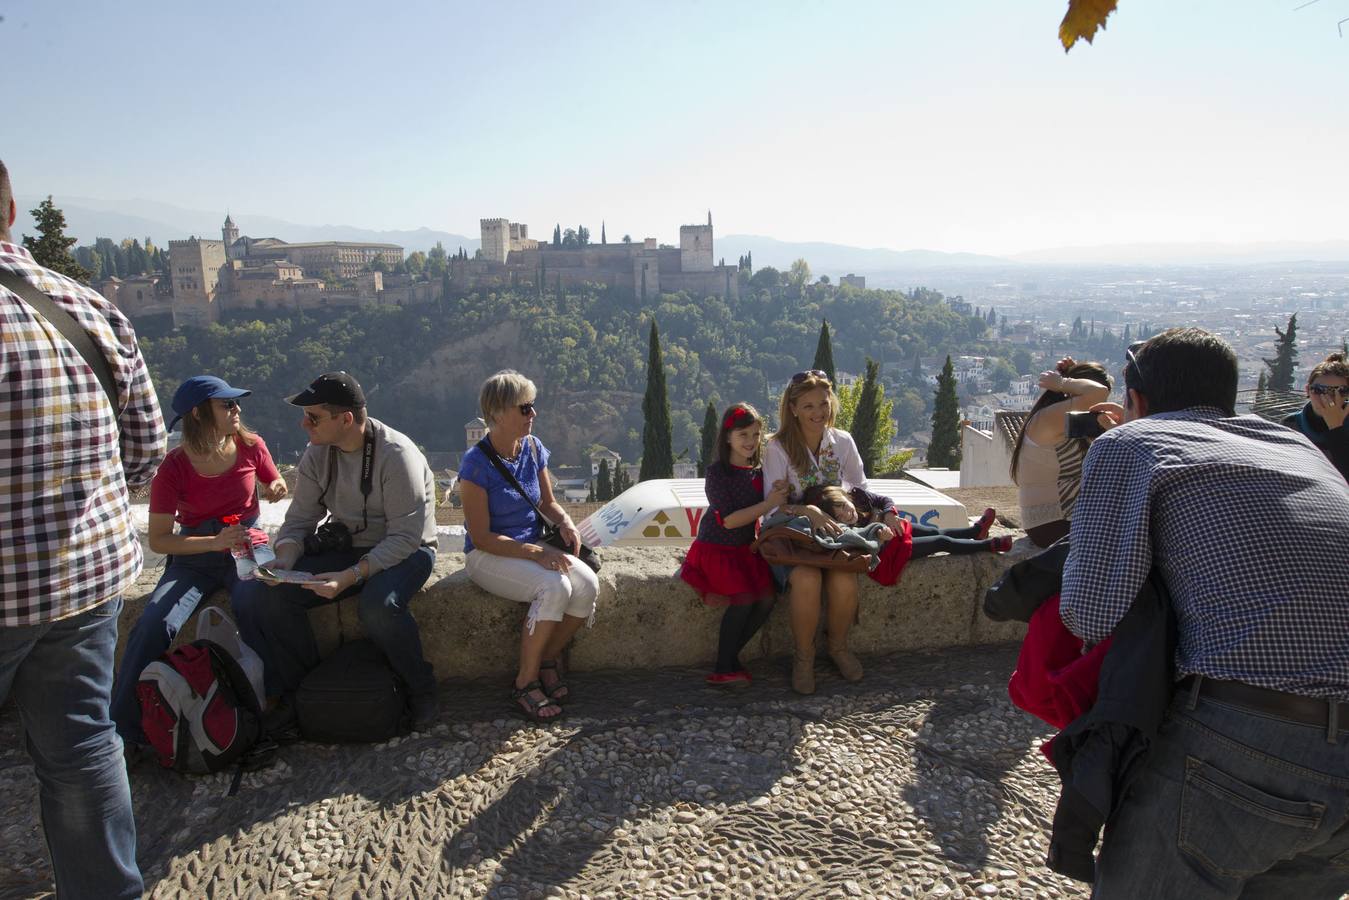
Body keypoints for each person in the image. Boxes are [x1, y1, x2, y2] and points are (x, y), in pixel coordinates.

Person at [1060, 328, 1349, 897]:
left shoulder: (1134, 442)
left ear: (1136, 401)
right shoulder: (1295, 446)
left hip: (1249, 741)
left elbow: (1088, 613)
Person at [0, 159, 166, 898]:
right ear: (9, 210)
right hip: (84, 580)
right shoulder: (84, 304)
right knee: (82, 748)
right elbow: (145, 451)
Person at [232, 372, 439, 732]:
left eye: (313, 417)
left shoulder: (396, 455)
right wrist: (285, 559)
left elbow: (405, 538)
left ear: (345, 419)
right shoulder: (317, 455)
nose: (303, 423)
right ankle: (307, 693)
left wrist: (350, 577)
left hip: (407, 550)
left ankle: (421, 689)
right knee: (269, 599)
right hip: (350, 545)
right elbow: (299, 520)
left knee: (377, 607)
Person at [109, 376, 287, 747]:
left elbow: (274, 479)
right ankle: (123, 728)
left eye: (235, 403)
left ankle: (272, 702)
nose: (236, 409)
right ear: (198, 413)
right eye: (226, 404)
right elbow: (160, 538)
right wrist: (213, 541)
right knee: (154, 623)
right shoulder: (173, 468)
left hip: (243, 547)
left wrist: (275, 487)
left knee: (255, 603)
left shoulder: (251, 446)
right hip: (194, 558)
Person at [460, 370, 598, 721]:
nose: (532, 414)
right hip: (488, 554)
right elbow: (481, 537)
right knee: (554, 586)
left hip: (531, 544)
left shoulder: (533, 449)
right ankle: (525, 681)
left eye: (532, 406)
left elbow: (548, 503)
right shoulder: (475, 464)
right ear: (498, 413)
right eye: (524, 408)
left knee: (587, 586)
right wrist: (538, 553)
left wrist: (566, 522)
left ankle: (548, 658)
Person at [762, 369, 902, 694]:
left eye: (823, 404)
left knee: (843, 579)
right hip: (795, 538)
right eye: (808, 406)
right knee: (807, 579)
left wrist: (864, 508)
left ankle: (838, 647)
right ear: (793, 408)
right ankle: (804, 657)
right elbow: (771, 508)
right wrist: (806, 510)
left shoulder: (842, 441)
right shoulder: (778, 448)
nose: (818, 413)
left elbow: (860, 489)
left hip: (835, 535)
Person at [679, 403, 789, 687]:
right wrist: (769, 503)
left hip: (745, 551)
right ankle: (723, 666)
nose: (750, 442)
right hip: (717, 549)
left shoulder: (759, 472)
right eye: (743, 435)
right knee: (744, 600)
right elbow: (728, 521)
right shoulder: (717, 474)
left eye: (755, 435)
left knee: (766, 599)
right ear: (727, 437)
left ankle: (730, 657)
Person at [802, 485, 1010, 585]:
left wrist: (889, 514)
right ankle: (990, 545)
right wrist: (879, 534)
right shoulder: (844, 528)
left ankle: (975, 531)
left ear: (846, 497)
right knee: (940, 542)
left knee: (933, 531)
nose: (847, 515)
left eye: (845, 507)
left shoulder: (859, 496)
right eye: (840, 516)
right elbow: (861, 543)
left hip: (893, 532)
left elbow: (884, 500)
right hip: (885, 552)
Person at [1008, 357, 1112, 548]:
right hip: (1053, 522)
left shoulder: (1064, 419)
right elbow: (1098, 393)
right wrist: (1063, 382)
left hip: (1058, 521)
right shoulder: (1048, 418)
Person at [1282, 350, 1348, 481]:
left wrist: (1336, 428)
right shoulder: (1290, 425)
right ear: (1307, 390)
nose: (1327, 397)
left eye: (1338, 391)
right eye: (1319, 390)